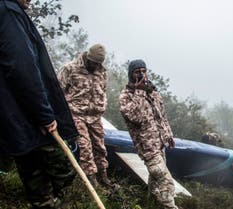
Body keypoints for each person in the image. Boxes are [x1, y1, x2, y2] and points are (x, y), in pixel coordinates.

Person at [0, 0, 79, 208]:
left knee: (37, 187)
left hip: (14, 122)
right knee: (61, 173)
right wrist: (44, 114)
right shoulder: (8, 11)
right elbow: (21, 67)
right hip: (30, 120)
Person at [119, 59, 178, 209]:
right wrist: (138, 92)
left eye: (144, 71)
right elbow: (135, 117)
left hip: (159, 144)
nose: (141, 74)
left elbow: (161, 116)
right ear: (131, 74)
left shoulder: (152, 91)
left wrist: (168, 135)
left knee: (155, 183)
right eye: (137, 71)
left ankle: (150, 204)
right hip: (147, 148)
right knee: (166, 182)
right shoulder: (126, 96)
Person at [58, 44, 118, 189]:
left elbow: (102, 91)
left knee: (100, 148)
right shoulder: (70, 68)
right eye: (94, 62)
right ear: (88, 57)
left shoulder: (102, 72)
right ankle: (92, 183)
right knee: (85, 148)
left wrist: (102, 105)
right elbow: (57, 91)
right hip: (76, 114)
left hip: (95, 117)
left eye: (99, 63)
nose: (96, 66)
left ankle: (103, 177)